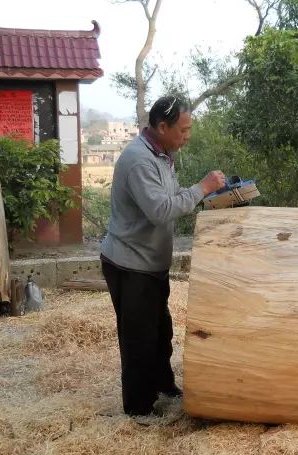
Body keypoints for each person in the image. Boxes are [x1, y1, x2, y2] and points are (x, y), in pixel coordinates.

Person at [100, 96, 225, 416]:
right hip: (131, 264)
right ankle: (139, 409)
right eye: (183, 130)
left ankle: (162, 385)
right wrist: (202, 189)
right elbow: (160, 210)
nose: (187, 135)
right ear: (162, 127)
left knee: (160, 330)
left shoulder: (163, 155)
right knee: (138, 339)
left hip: (152, 262)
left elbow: (172, 198)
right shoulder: (139, 160)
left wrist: (208, 197)